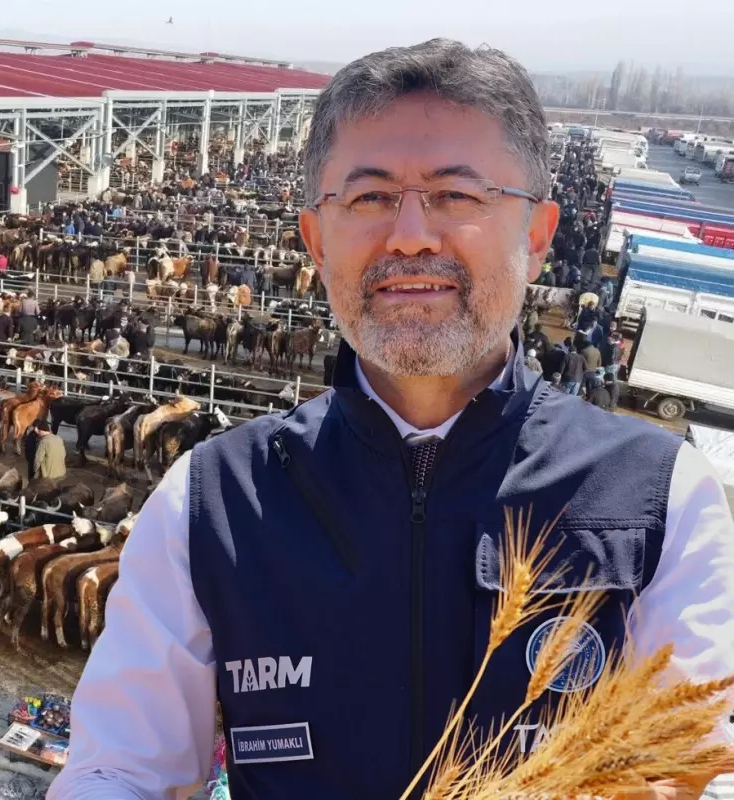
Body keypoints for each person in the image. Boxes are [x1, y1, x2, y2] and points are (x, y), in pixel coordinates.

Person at [50, 40, 734, 800]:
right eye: (369, 197)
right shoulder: (208, 501)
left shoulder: (662, 500)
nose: (410, 235)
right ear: (315, 241)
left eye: (456, 195)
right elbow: (119, 769)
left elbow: (699, 769)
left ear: (538, 236)